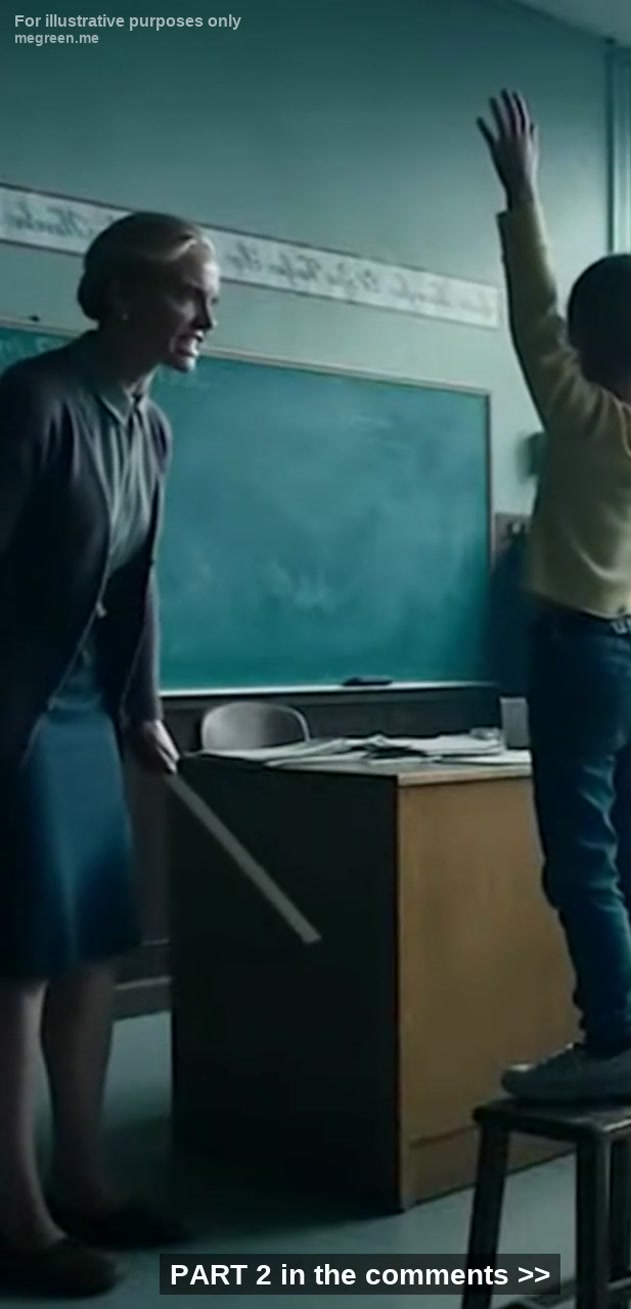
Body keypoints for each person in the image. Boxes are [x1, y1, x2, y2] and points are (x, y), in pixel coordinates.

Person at [477, 90, 631, 1104]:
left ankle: (614, 1038)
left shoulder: (581, 417)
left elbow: (531, 312)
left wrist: (522, 194)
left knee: (582, 865)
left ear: (584, 343)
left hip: (581, 658)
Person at [0, 211, 220, 1296]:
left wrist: (142, 710)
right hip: (19, 716)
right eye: (190, 294)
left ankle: (82, 1181)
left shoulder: (149, 426)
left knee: (94, 948)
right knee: (19, 960)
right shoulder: (35, 402)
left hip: (91, 713)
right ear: (125, 294)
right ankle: (17, 1214)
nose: (207, 318)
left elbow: (138, 585)